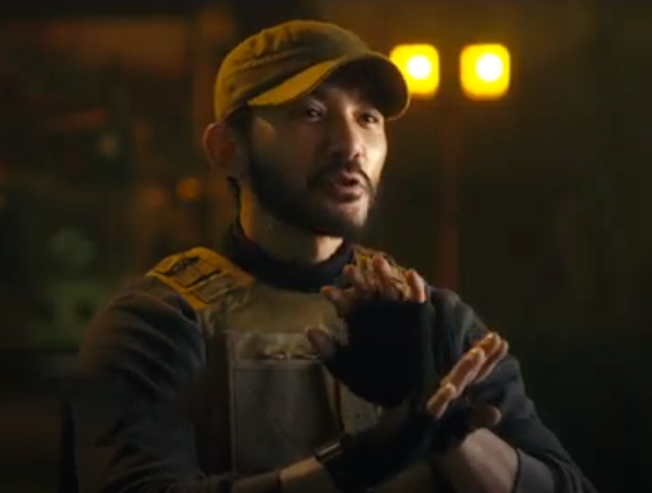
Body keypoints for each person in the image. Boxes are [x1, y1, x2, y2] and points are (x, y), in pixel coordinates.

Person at [63, 20, 597, 493]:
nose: (349, 144)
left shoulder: (430, 321)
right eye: (311, 113)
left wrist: (440, 418)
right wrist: (358, 462)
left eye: (368, 118)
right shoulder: (160, 324)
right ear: (227, 149)